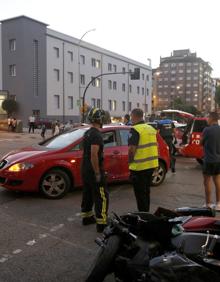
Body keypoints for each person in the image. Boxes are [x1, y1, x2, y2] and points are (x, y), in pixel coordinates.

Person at [81, 107, 109, 233]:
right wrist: (97, 172)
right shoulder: (97, 135)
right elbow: (94, 154)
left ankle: (87, 218)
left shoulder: (87, 133)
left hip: (85, 168)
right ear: (100, 119)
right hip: (93, 169)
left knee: (87, 193)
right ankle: (102, 223)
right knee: (101, 196)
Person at [128, 108, 159, 212]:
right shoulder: (151, 129)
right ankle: (146, 213)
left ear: (134, 116)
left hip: (139, 168)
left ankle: (143, 216)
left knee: (140, 195)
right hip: (151, 166)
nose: (131, 118)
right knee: (146, 192)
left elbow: (132, 149)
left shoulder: (135, 129)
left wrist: (130, 162)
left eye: (131, 116)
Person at [200, 112, 220, 210]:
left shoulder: (206, 130)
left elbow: (201, 143)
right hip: (218, 160)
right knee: (217, 181)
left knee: (207, 182)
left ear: (212, 118)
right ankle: (219, 204)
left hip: (208, 160)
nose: (206, 119)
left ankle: (208, 204)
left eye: (208, 117)